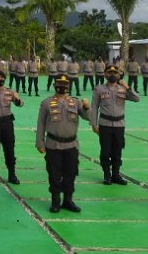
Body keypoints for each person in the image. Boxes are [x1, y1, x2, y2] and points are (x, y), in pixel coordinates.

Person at [35, 75, 89, 213]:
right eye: (59, 83)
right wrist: (40, 142)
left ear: (68, 86)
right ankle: (55, 201)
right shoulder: (46, 103)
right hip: (53, 145)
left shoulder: (76, 103)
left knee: (70, 173)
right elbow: (41, 124)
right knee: (54, 174)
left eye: (65, 84)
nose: (62, 86)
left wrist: (87, 107)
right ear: (54, 85)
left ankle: (68, 200)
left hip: (71, 145)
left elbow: (89, 117)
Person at [89, 65, 141, 185]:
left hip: (119, 125)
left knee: (117, 151)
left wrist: (127, 87)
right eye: (109, 72)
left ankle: (116, 175)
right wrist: (93, 124)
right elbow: (94, 107)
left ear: (118, 74)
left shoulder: (123, 89)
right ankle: (107, 175)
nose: (112, 74)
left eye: (114, 72)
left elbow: (137, 98)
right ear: (105, 74)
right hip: (105, 124)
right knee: (106, 151)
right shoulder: (99, 89)